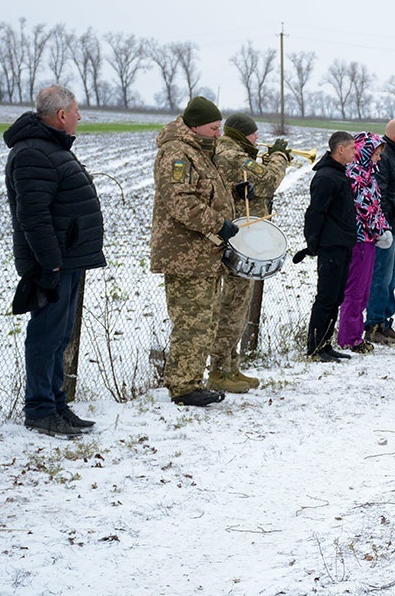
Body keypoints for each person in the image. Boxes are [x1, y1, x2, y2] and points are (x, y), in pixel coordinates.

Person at [4, 85, 104, 436]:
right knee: (46, 335)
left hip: (67, 259)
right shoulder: (33, 153)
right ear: (62, 115)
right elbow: (33, 216)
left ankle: (57, 404)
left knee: (60, 336)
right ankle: (40, 409)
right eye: (76, 111)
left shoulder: (50, 148)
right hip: (53, 263)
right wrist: (50, 263)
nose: (79, 117)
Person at [151, 96, 240, 407]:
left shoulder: (201, 150)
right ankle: (183, 386)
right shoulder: (176, 154)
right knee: (192, 321)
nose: (219, 133)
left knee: (206, 321)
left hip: (205, 255)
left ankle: (191, 381)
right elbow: (180, 202)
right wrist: (219, 224)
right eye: (214, 128)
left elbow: (208, 190)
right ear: (195, 126)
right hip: (185, 256)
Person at [208, 113, 291, 392]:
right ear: (242, 135)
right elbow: (267, 182)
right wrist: (279, 157)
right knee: (232, 308)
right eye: (254, 134)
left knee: (238, 308)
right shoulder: (232, 154)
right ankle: (220, 371)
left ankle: (232, 366)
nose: (258, 139)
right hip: (238, 242)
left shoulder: (234, 152)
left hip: (244, 239)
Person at [298, 131, 358, 362]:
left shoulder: (338, 174)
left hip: (343, 244)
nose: (355, 152)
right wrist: (312, 243)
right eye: (352, 148)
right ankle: (315, 347)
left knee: (336, 297)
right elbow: (315, 213)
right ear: (340, 149)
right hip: (330, 246)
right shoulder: (326, 177)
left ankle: (326, 343)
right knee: (326, 297)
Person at [337, 132, 391, 353]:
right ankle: (349, 338)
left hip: (369, 238)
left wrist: (382, 228)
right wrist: (379, 230)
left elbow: (376, 206)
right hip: (360, 238)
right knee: (355, 290)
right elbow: (365, 207)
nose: (378, 159)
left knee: (364, 290)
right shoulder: (355, 174)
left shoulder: (368, 174)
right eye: (376, 154)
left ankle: (356, 335)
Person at [365, 119, 395, 344]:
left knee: (392, 278)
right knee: (381, 278)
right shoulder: (385, 158)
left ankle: (385, 321)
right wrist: (383, 225)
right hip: (387, 229)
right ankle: (374, 324)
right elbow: (380, 194)